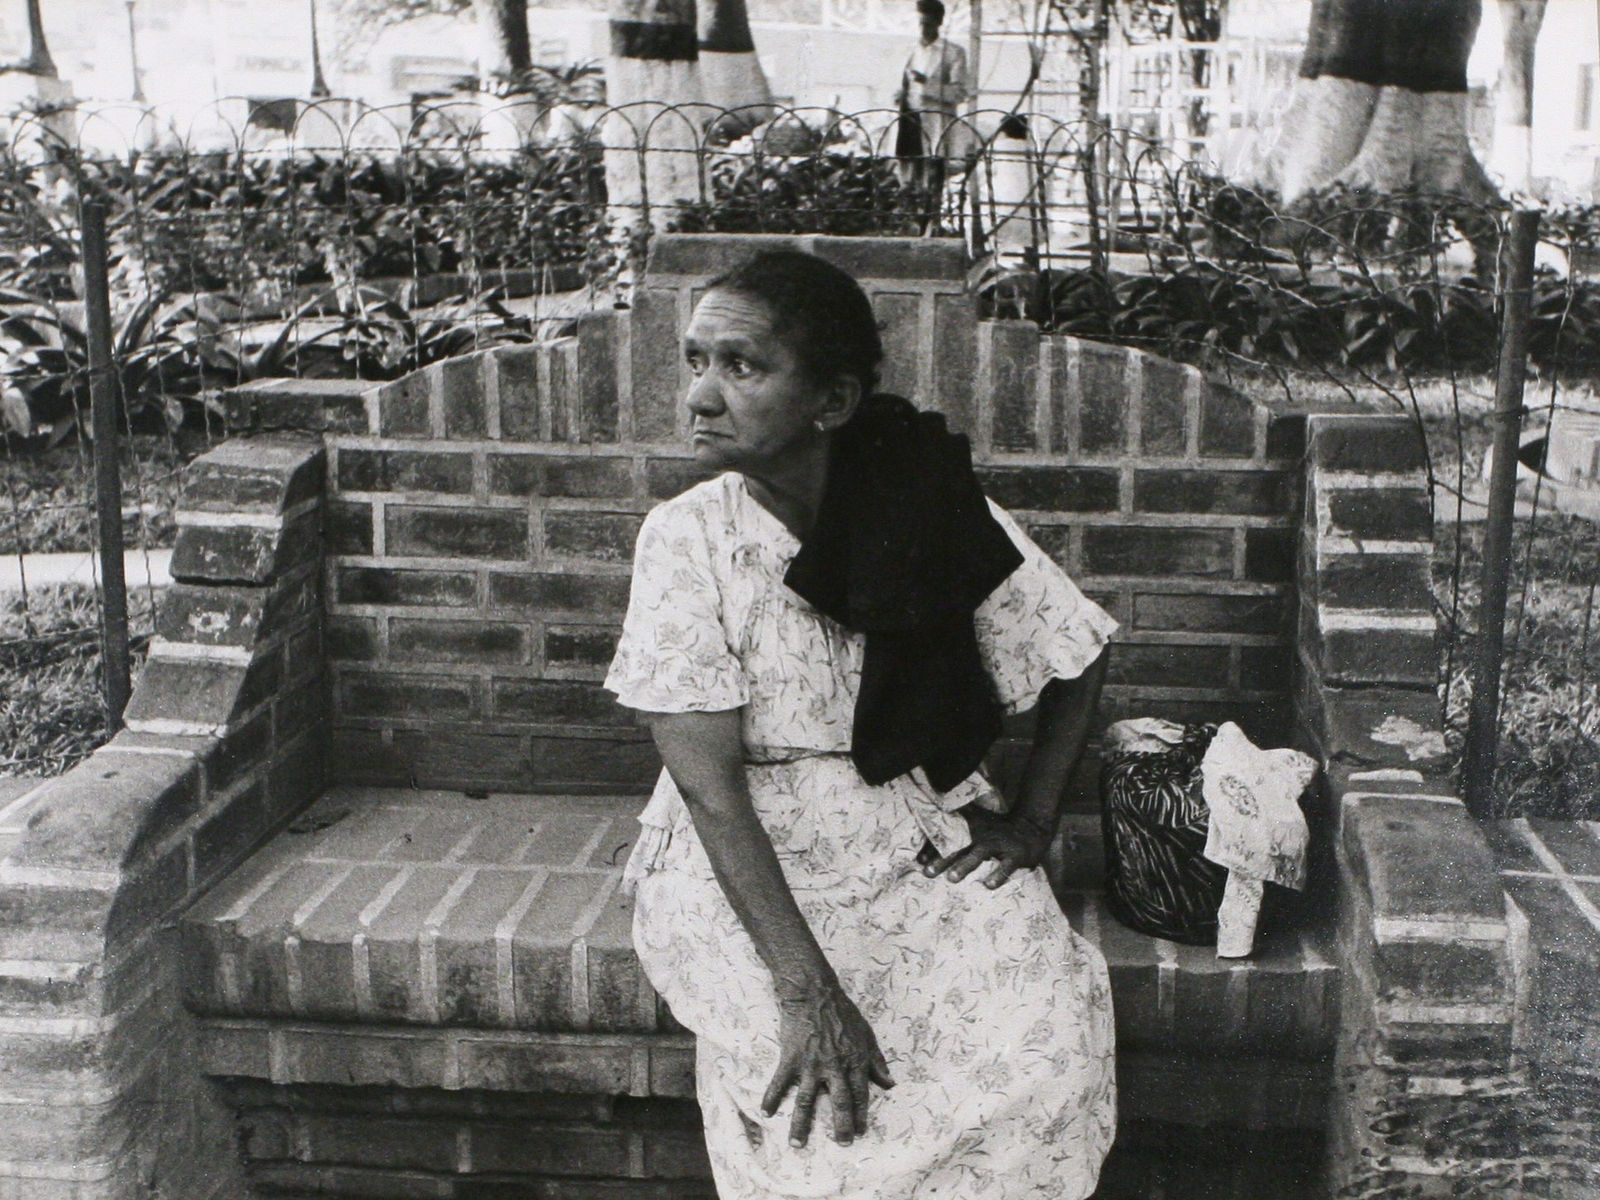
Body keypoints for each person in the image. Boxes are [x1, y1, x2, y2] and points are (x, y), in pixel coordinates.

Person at [603, 249, 1117, 1200]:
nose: (701, 397)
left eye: (741, 366)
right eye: (695, 361)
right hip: (744, 853)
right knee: (826, 1111)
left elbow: (1076, 652)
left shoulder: (919, 500)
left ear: (831, 402)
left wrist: (1034, 821)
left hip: (913, 820)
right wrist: (811, 995)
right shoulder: (685, 541)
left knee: (1039, 1040)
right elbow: (711, 792)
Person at [894, 0, 970, 201]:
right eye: (920, 24)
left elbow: (960, 93)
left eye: (928, 24)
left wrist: (928, 85)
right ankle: (908, 219)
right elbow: (901, 82)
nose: (923, 30)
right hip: (909, 119)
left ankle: (931, 219)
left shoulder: (953, 53)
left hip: (935, 124)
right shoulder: (910, 50)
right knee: (906, 176)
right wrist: (900, 93)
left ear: (939, 23)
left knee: (932, 175)